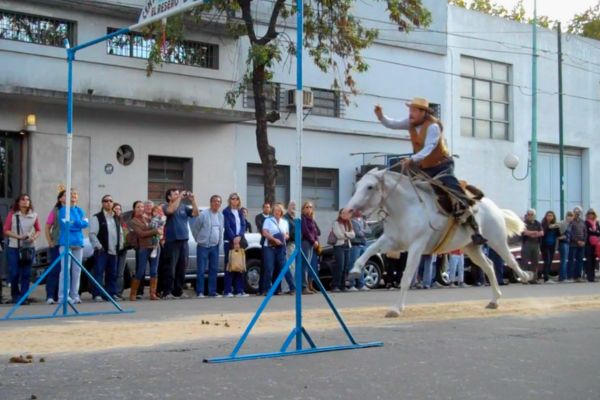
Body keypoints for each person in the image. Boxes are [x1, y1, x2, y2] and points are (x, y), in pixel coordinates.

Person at [374, 98, 486, 245]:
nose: (410, 113)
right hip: (424, 167)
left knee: (454, 191)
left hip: (441, 165)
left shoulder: (433, 127)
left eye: (413, 110)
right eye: (410, 110)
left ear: (423, 112)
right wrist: (381, 116)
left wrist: (412, 159)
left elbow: (429, 148)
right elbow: (392, 124)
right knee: (409, 189)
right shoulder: (410, 123)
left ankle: (475, 230)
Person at [3, 194, 41, 304]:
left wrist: (33, 237)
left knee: (26, 273)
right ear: (18, 202)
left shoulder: (34, 215)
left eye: (27, 199)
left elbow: (38, 230)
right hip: (14, 247)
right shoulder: (13, 214)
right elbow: (6, 230)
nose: (25, 201)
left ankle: (24, 297)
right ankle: (15, 295)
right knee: (14, 272)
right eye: (23, 200)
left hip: (28, 248)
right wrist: (19, 237)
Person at [162, 188, 199, 299]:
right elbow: (170, 211)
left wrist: (192, 200)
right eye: (175, 194)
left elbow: (196, 213)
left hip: (184, 240)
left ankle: (178, 291)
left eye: (179, 194)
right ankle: (167, 292)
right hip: (172, 240)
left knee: (181, 268)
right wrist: (179, 198)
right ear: (169, 197)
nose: (179, 196)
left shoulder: (183, 207)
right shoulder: (165, 206)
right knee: (170, 268)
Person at [57, 189, 88, 304]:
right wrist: (79, 223)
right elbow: (68, 225)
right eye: (70, 195)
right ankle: (63, 296)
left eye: (75, 194)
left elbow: (85, 224)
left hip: (78, 242)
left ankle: (75, 294)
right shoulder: (63, 210)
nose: (73, 196)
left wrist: (77, 223)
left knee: (77, 270)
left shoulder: (80, 210)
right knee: (65, 269)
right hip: (66, 242)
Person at [89, 194, 122, 302]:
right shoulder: (97, 217)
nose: (108, 202)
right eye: (106, 201)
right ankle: (97, 294)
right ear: (102, 203)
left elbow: (120, 233)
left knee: (112, 273)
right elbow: (92, 234)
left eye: (110, 201)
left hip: (114, 250)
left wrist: (120, 246)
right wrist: (99, 246)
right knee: (99, 272)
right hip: (102, 251)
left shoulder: (116, 217)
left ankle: (110, 294)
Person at [191, 195, 224, 298]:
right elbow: (195, 229)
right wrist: (199, 240)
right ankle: (200, 292)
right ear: (211, 203)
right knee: (201, 270)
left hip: (215, 246)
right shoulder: (203, 215)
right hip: (203, 246)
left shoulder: (220, 216)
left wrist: (219, 242)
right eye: (215, 201)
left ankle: (212, 292)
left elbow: (220, 230)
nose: (217, 203)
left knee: (213, 270)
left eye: (218, 202)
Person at [128, 200, 160, 301]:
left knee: (154, 271)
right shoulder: (133, 221)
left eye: (142, 207)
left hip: (155, 247)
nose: (141, 209)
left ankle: (152, 293)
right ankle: (133, 293)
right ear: (134, 209)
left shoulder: (150, 218)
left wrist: (158, 229)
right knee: (140, 271)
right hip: (143, 248)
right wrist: (155, 231)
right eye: (138, 207)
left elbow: (159, 226)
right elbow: (141, 234)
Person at [262, 203, 296, 295]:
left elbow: (288, 234)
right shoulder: (268, 220)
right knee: (269, 268)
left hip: (281, 247)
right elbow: (264, 233)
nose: (277, 212)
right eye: (275, 210)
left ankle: (292, 288)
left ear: (281, 212)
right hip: (269, 247)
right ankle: (266, 289)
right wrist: (274, 239)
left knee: (284, 267)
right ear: (273, 211)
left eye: (279, 210)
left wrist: (285, 236)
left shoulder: (285, 222)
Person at [222, 192, 248, 297]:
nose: (235, 200)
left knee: (239, 265)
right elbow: (227, 227)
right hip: (229, 241)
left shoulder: (240, 211)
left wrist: (239, 236)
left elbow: (243, 224)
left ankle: (239, 290)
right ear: (229, 200)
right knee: (230, 265)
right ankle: (228, 290)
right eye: (233, 198)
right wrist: (234, 238)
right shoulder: (226, 211)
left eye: (237, 199)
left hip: (239, 240)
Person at [44, 190, 66, 304]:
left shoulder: (74, 210)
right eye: (65, 196)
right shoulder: (56, 211)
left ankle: (61, 295)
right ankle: (50, 295)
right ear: (60, 198)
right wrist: (50, 241)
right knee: (55, 269)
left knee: (66, 270)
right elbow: (47, 227)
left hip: (69, 244)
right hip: (57, 243)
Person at [331, 208, 355, 292]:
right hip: (339, 246)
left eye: (347, 213)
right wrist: (347, 234)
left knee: (345, 267)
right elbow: (339, 235)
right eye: (344, 213)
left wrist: (345, 234)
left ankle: (343, 285)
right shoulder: (336, 223)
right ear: (340, 214)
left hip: (347, 246)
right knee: (339, 266)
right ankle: (335, 286)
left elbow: (353, 235)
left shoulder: (349, 223)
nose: (346, 215)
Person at [348, 210, 370, 291]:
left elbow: (369, 231)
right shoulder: (352, 221)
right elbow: (357, 233)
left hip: (363, 245)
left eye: (361, 210)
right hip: (355, 245)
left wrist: (362, 231)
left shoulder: (363, 221)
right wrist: (363, 232)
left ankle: (361, 284)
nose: (360, 212)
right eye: (358, 210)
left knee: (362, 265)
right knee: (353, 265)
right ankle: (351, 285)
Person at [300, 201, 319, 294]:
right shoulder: (303, 218)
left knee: (308, 265)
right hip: (305, 242)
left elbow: (315, 232)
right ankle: (303, 287)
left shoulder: (311, 219)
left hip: (311, 243)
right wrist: (313, 241)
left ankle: (308, 285)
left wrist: (316, 241)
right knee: (304, 265)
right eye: (307, 207)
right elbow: (306, 231)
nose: (309, 209)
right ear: (303, 209)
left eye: (310, 207)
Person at [521, 209, 543, 283]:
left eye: (532, 214)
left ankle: (534, 279)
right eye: (529, 214)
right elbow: (525, 232)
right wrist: (535, 232)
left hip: (536, 244)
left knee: (535, 262)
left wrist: (531, 233)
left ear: (534, 215)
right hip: (527, 243)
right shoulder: (524, 223)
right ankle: (524, 279)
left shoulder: (538, 223)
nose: (530, 216)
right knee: (525, 262)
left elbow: (542, 233)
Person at [112, 202, 129, 298]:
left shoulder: (123, 221)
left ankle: (118, 292)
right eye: (116, 209)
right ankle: (112, 292)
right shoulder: (111, 220)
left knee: (120, 273)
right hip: (113, 250)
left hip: (123, 249)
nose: (118, 210)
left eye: (119, 209)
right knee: (112, 272)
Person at [568, 206, 587, 282]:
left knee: (580, 261)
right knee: (571, 260)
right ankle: (570, 277)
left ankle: (578, 277)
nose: (577, 213)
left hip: (582, 245)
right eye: (576, 212)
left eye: (578, 212)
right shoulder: (571, 221)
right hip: (573, 244)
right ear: (573, 213)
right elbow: (570, 233)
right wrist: (577, 241)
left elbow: (585, 232)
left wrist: (584, 241)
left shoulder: (583, 222)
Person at [540, 211, 560, 283]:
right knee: (547, 260)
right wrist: (548, 227)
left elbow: (558, 234)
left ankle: (547, 275)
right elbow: (543, 233)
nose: (549, 217)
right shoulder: (543, 224)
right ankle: (545, 278)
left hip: (552, 246)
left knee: (550, 261)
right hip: (545, 245)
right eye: (548, 215)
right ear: (546, 216)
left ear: (553, 217)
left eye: (551, 215)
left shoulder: (555, 225)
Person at [282, 201, 297, 293]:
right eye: (292, 206)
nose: (294, 207)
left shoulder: (293, 218)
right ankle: (286, 288)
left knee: (293, 266)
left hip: (294, 244)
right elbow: (286, 231)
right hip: (288, 244)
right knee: (289, 266)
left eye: (295, 206)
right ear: (288, 207)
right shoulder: (286, 218)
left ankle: (289, 286)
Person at [557, 211, 574, 282]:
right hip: (563, 243)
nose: (569, 217)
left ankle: (564, 277)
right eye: (568, 215)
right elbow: (557, 232)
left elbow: (569, 234)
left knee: (565, 260)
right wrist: (561, 237)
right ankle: (562, 278)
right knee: (563, 260)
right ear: (566, 216)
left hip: (567, 243)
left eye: (571, 216)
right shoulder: (562, 223)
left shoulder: (570, 224)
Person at [584, 208, 599, 282]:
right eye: (589, 214)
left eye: (592, 214)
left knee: (594, 260)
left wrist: (594, 231)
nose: (591, 215)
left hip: (595, 244)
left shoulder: (596, 222)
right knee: (589, 260)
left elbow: (598, 232)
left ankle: (593, 276)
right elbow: (588, 232)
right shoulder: (586, 222)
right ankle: (589, 277)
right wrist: (595, 232)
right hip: (588, 244)